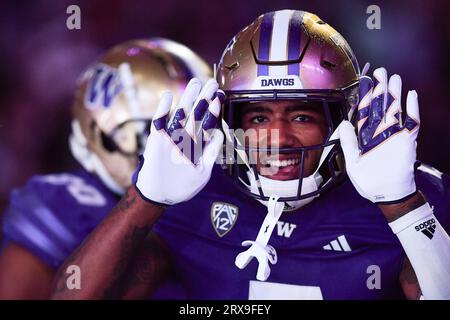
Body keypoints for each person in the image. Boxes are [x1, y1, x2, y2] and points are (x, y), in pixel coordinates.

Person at [51, 10, 450, 300]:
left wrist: (403, 204)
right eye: (258, 115)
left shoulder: (410, 192)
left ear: (343, 118)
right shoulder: (193, 192)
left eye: (301, 114)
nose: (276, 137)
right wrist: (144, 200)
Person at [0, 38, 211, 299]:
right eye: (164, 130)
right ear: (103, 130)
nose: (188, 140)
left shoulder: (215, 203)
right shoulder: (66, 203)